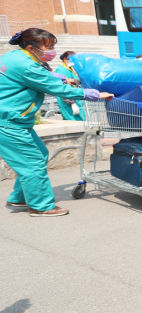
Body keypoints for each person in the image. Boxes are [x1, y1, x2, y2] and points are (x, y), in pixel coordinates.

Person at [0, 28, 112, 216]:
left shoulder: (16, 57)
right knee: (33, 163)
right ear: (31, 47)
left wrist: (63, 77)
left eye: (53, 46)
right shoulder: (26, 65)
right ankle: (40, 206)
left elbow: (41, 75)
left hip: (16, 120)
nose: (52, 51)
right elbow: (53, 87)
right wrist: (93, 94)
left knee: (39, 155)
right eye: (48, 47)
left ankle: (19, 198)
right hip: (9, 122)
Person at [53, 51, 86, 121]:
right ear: (65, 58)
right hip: (69, 101)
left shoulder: (70, 68)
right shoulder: (62, 69)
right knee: (72, 120)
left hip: (76, 98)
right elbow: (62, 87)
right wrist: (72, 103)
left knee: (81, 120)